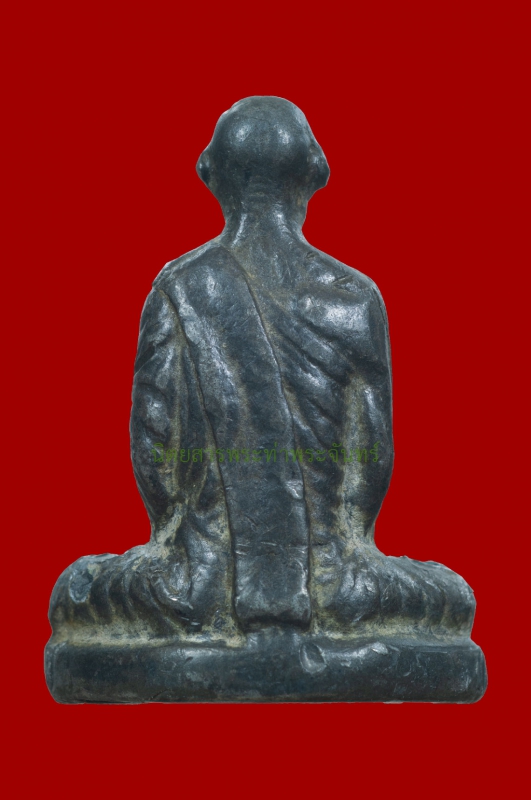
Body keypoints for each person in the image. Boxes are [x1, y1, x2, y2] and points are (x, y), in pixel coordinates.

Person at [49, 97, 474, 642]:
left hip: (198, 582)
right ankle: (324, 608)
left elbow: (154, 455)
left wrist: (185, 534)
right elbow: (371, 464)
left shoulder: (179, 287)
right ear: (315, 170)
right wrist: (344, 549)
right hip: (334, 582)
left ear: (209, 172)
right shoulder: (355, 298)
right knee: (449, 598)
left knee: (79, 590)